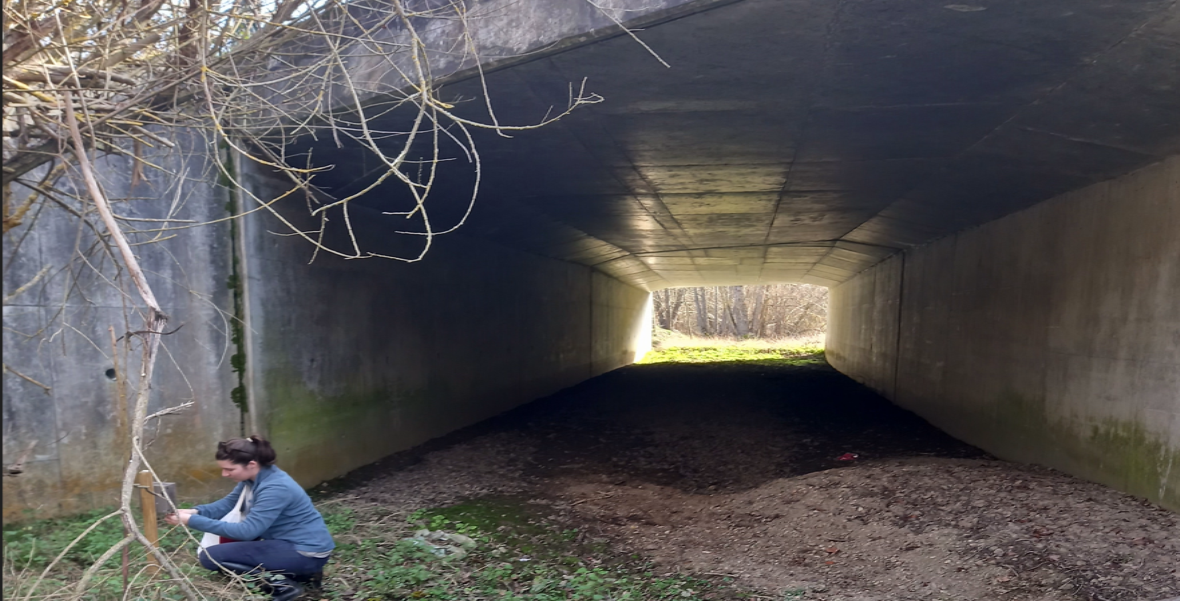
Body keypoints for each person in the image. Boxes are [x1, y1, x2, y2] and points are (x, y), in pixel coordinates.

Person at [165, 435, 334, 601]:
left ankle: (284, 587)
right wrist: (193, 512)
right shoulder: (253, 479)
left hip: (305, 552)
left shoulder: (275, 487)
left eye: (230, 469)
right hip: (290, 545)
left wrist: (190, 521)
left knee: (210, 556)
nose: (224, 474)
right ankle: (304, 576)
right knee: (226, 552)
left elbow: (247, 532)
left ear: (251, 464)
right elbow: (225, 505)